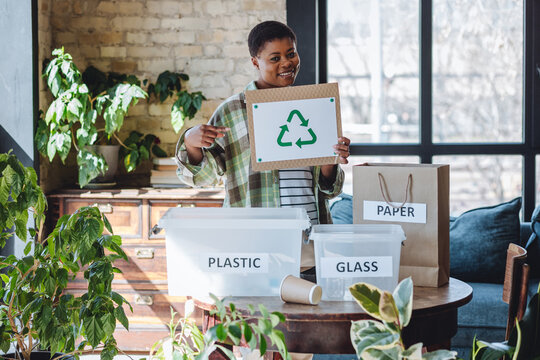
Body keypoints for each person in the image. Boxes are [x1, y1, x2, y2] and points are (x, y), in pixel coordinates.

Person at [175, 20, 351, 279]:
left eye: (291, 54)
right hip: (254, 247)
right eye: (275, 57)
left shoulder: (314, 106)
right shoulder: (232, 111)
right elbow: (203, 178)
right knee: (259, 317)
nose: (287, 63)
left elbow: (329, 189)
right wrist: (190, 141)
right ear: (255, 62)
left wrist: (331, 159)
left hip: (310, 245)